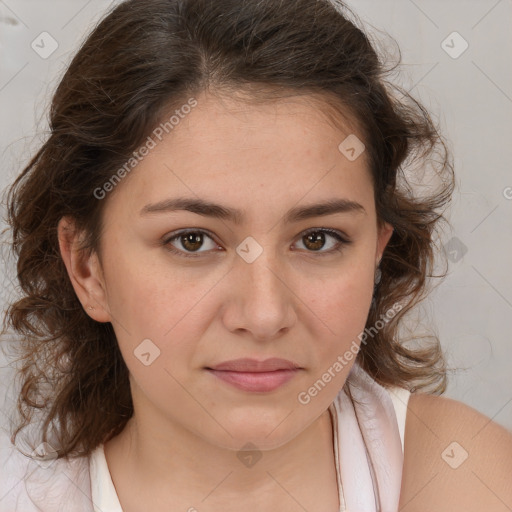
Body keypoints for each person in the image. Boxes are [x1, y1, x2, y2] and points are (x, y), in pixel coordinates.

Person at [1, 0, 511, 511]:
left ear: (377, 255)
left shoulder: (465, 476)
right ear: (88, 268)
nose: (265, 315)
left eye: (318, 240)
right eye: (192, 240)